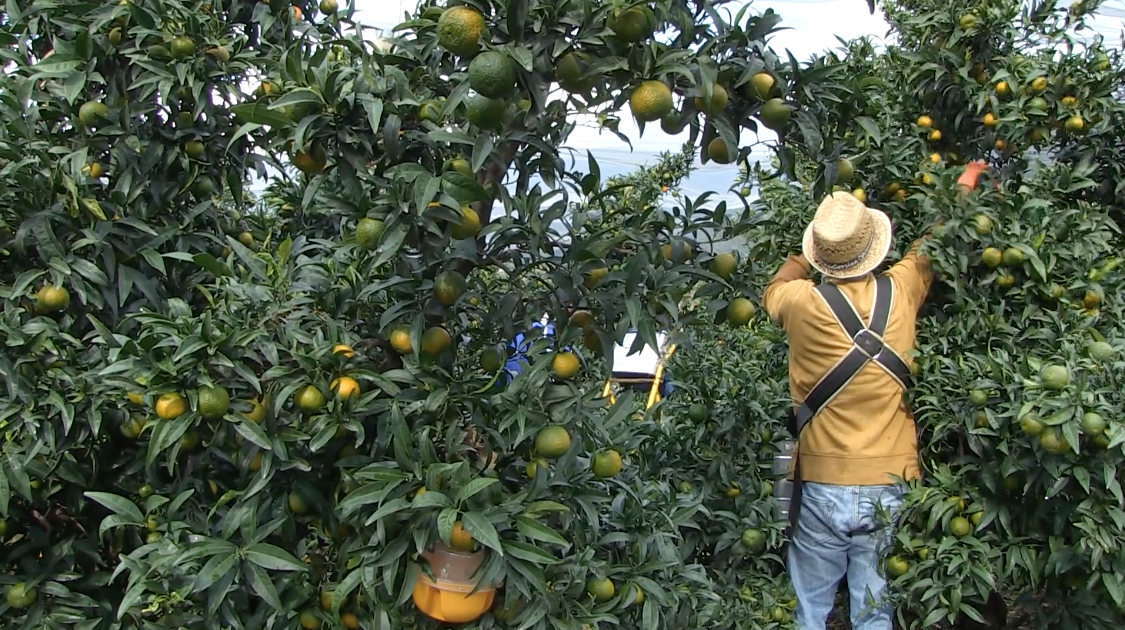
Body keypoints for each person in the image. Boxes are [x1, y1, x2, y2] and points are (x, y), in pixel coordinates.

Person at [762, 163, 985, 630]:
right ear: (872, 248)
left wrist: (805, 253)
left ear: (822, 255)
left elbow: (774, 286)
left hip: (822, 479)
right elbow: (935, 240)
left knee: (809, 611)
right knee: (874, 610)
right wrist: (965, 183)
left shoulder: (800, 301)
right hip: (892, 479)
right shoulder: (902, 288)